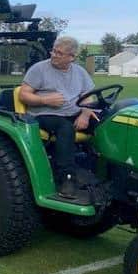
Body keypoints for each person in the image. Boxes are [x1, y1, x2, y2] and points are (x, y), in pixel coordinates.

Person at [18, 36, 96, 198]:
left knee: (105, 122)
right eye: (54, 50)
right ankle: (67, 178)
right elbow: (24, 95)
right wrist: (44, 99)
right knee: (65, 129)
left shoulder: (80, 72)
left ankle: (100, 170)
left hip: (74, 113)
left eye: (59, 53)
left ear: (72, 57)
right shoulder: (39, 69)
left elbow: (89, 98)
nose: (54, 55)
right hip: (45, 114)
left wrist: (85, 114)